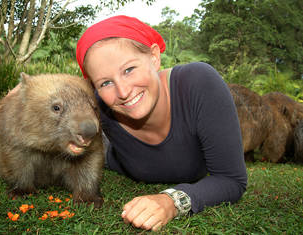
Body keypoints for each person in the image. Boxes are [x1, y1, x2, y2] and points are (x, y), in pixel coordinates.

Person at [75, 15, 247, 231]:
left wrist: (172, 202)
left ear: (154, 57)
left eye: (129, 69)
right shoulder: (99, 104)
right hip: (113, 157)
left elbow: (231, 180)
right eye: (106, 82)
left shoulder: (198, 84)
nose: (124, 92)